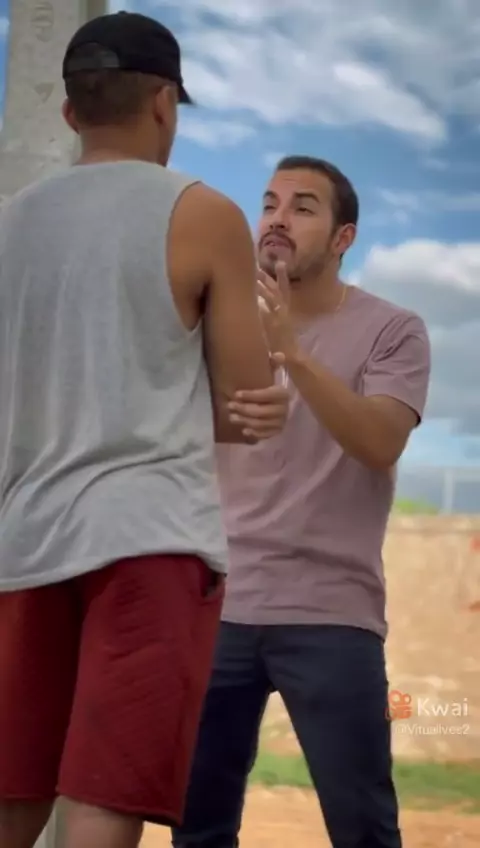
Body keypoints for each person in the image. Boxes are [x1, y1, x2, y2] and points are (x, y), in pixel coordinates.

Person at [0, 11, 289, 848]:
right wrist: (268, 398)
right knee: (104, 792)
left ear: (70, 110)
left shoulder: (9, 223)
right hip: (148, 538)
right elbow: (245, 407)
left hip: (23, 542)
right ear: (164, 102)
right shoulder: (203, 213)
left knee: (12, 789)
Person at [171, 155, 431, 848]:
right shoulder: (213, 322)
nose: (278, 219)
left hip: (332, 613)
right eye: (269, 204)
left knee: (363, 827)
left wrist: (294, 354)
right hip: (219, 604)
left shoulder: (394, 329)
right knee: (197, 828)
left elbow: (380, 442)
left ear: (344, 237)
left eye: (303, 207)